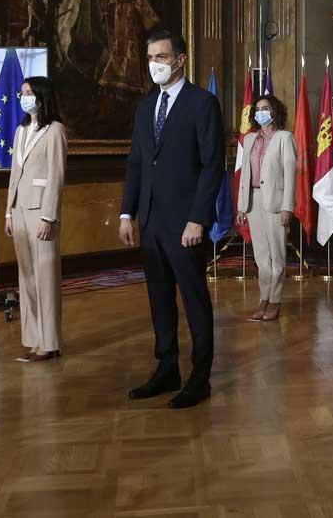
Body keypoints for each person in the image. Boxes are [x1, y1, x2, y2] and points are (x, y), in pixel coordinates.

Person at [119, 30, 224, 409]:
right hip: (149, 222)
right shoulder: (146, 107)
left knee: (194, 299)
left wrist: (198, 219)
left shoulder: (202, 104)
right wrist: (127, 211)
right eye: (150, 58)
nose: (154, 65)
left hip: (186, 226)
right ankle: (167, 368)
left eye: (161, 57)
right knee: (159, 298)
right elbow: (137, 163)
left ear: (180, 59)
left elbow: (213, 165)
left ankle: (200, 376)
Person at [4, 76, 68, 362]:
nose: (24, 97)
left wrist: (48, 216)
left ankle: (50, 342)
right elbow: (14, 176)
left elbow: (56, 176)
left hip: (41, 213)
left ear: (42, 97)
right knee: (27, 277)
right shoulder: (21, 131)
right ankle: (33, 339)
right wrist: (8, 211)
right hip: (19, 211)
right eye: (22, 93)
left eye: (29, 93)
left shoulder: (55, 131)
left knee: (45, 278)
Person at [235, 95, 295, 322]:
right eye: (258, 109)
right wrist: (242, 205)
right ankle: (264, 298)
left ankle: (275, 300)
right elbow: (244, 176)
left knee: (276, 255)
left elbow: (290, 176)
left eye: (265, 108)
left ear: (275, 112)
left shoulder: (284, 138)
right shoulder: (250, 139)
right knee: (261, 256)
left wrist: (287, 207)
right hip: (253, 201)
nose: (261, 112)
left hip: (276, 203)